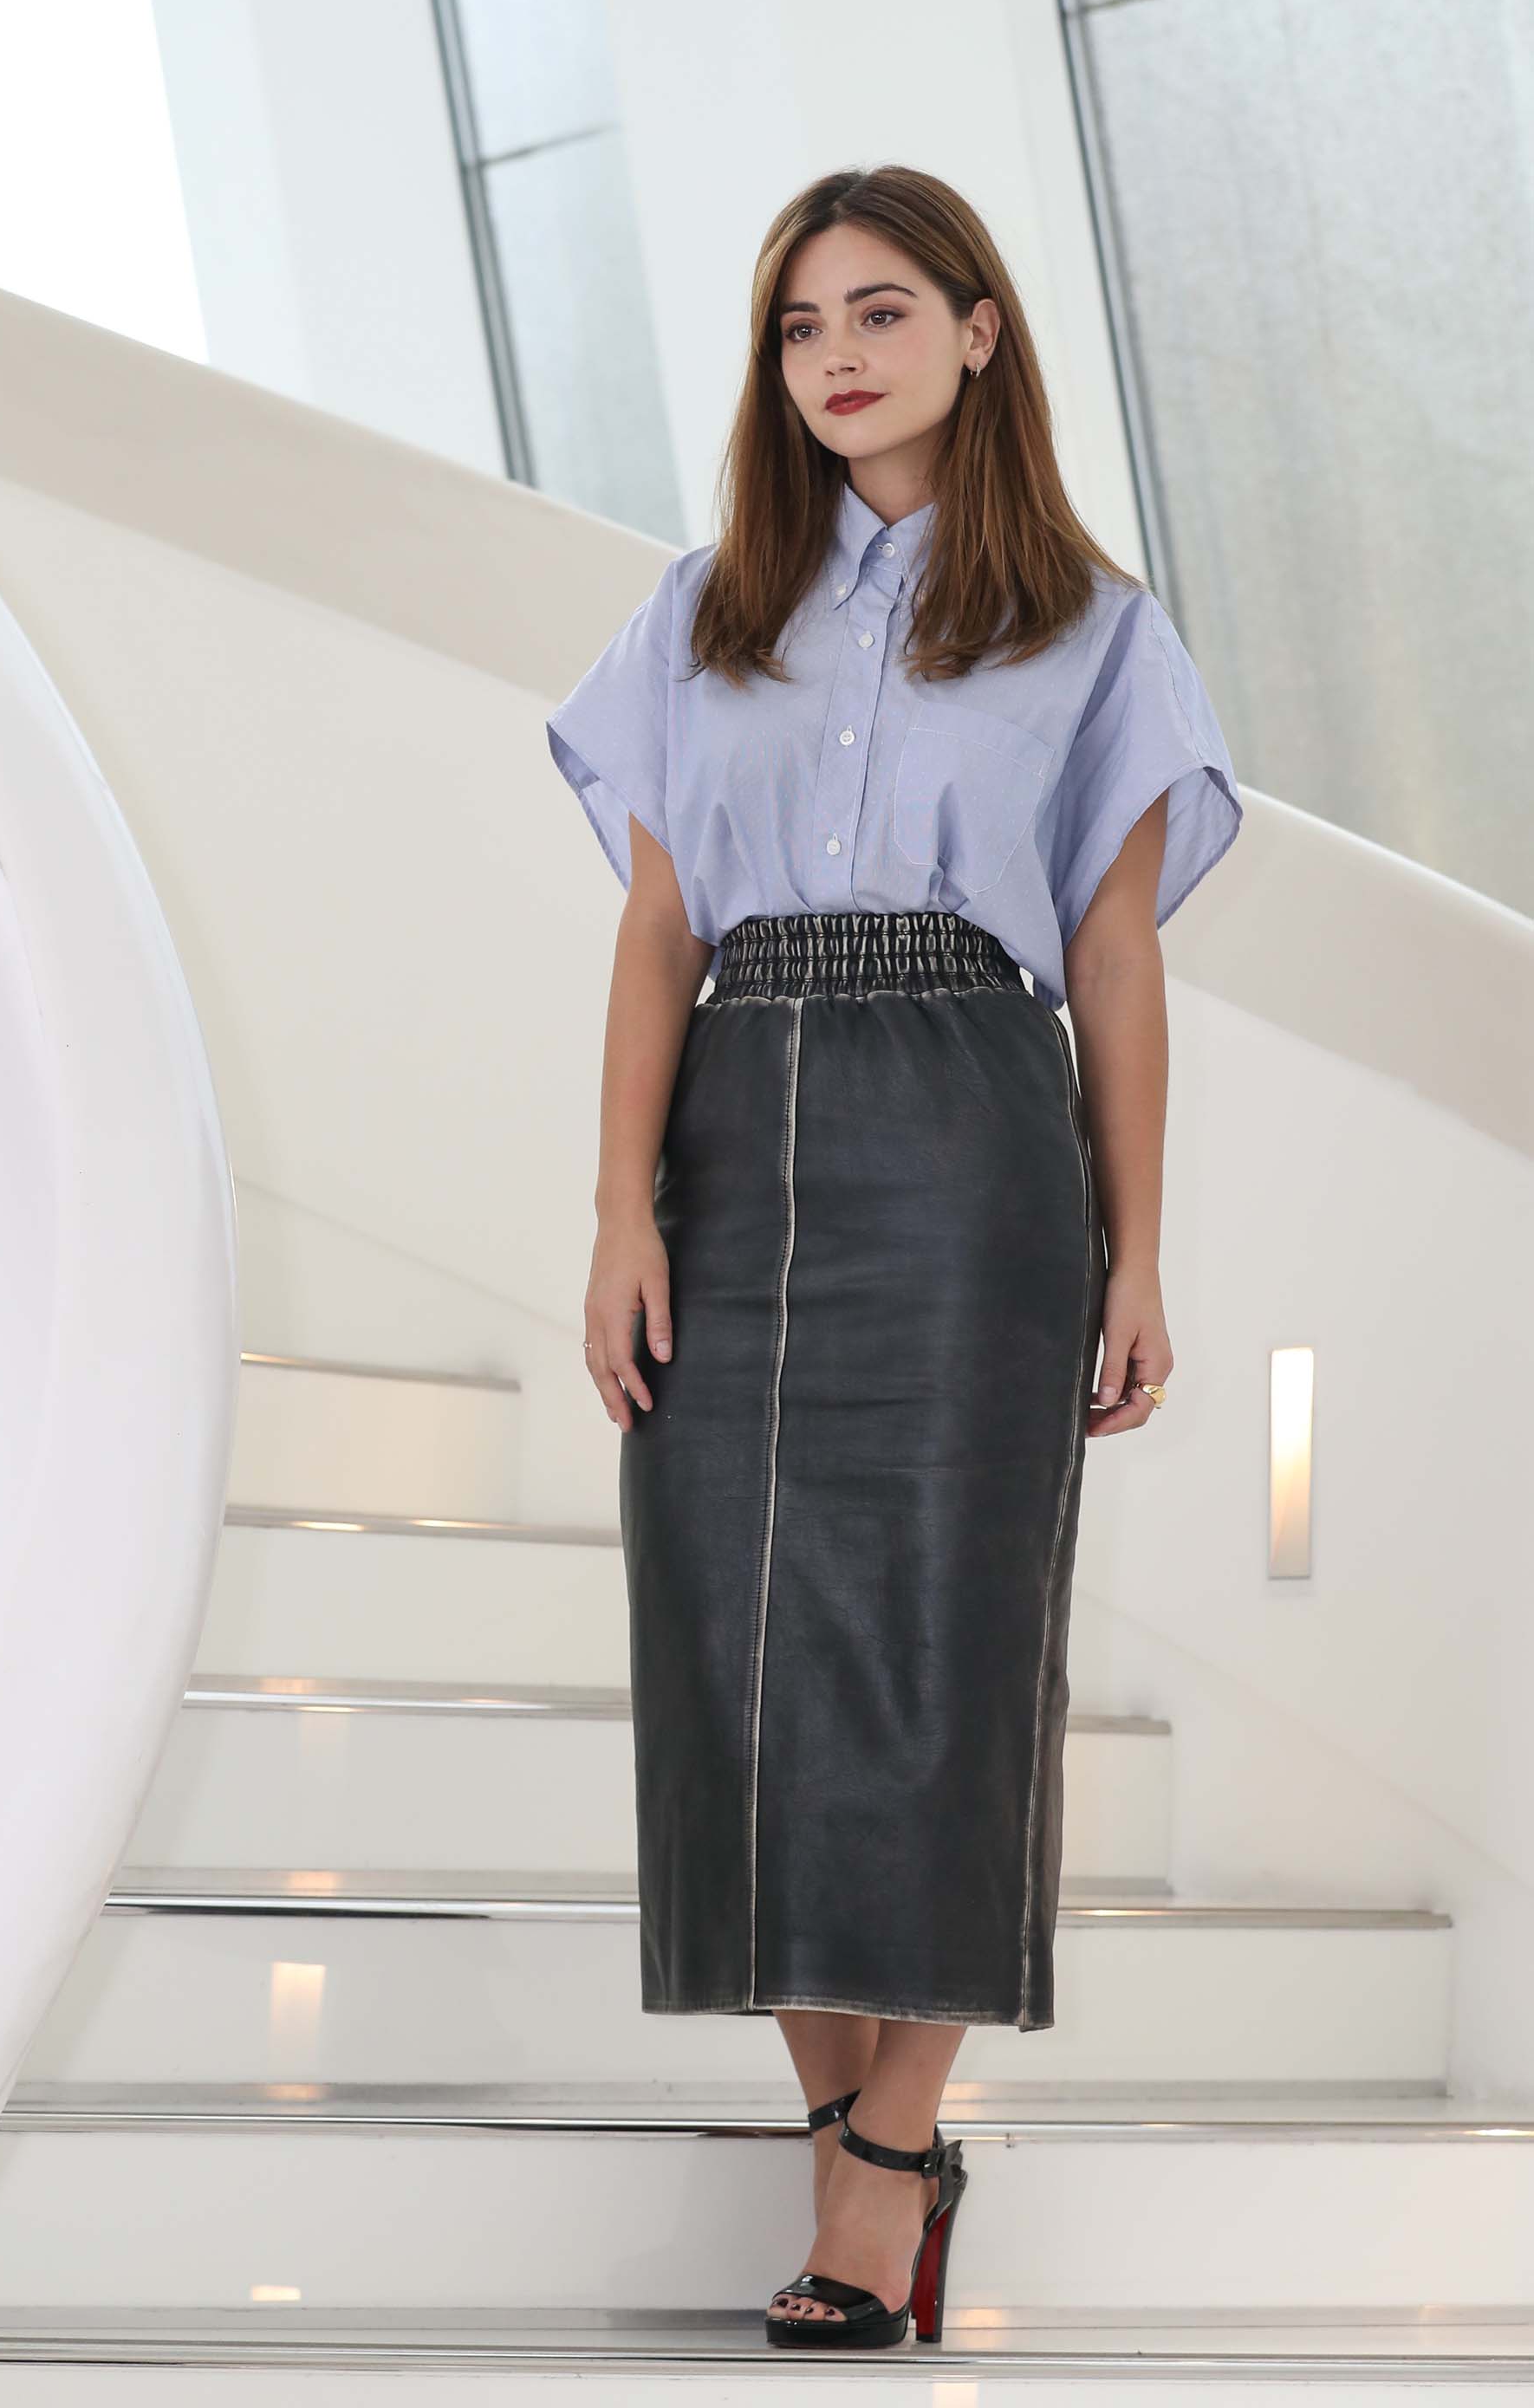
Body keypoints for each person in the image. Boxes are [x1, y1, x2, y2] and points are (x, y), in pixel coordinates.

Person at [544, 164, 1242, 2352]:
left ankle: (874, 2164)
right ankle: (883, 2146)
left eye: (875, 311)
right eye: (792, 328)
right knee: (734, 1661)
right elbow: (653, 928)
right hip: (734, 1130)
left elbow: (1114, 953)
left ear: (976, 330)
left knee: (942, 1658)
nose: (832, 357)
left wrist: (1136, 1251)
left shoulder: (1096, 628)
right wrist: (612, 1209)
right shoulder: (696, 609)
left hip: (965, 1130)